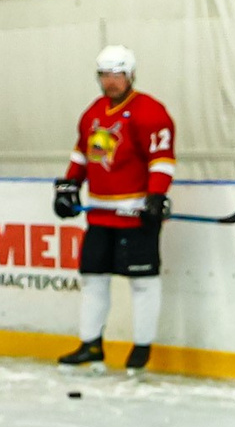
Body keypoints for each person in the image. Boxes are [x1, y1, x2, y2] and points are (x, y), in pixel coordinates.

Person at [56, 45, 176, 372]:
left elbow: (162, 159)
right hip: (100, 214)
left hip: (136, 215)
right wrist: (68, 187)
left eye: (117, 74)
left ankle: (141, 347)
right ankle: (90, 344)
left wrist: (155, 197)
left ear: (130, 75)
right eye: (104, 75)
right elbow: (82, 156)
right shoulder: (93, 112)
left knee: (142, 282)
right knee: (93, 279)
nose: (110, 81)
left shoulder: (150, 111)